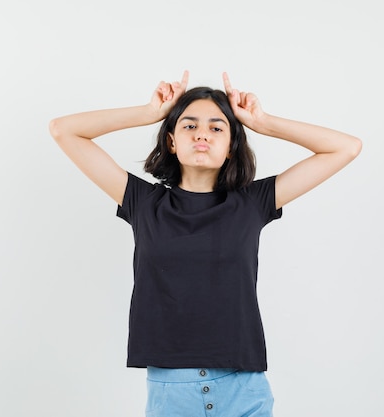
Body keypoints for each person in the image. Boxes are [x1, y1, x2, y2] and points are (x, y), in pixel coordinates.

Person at [49, 71, 361, 417]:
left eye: (216, 128)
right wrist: (148, 112)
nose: (202, 134)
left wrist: (263, 122)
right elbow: (64, 130)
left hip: (243, 387)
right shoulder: (142, 201)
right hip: (172, 391)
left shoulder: (253, 203)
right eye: (188, 125)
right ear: (171, 141)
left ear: (231, 147)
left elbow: (346, 148)